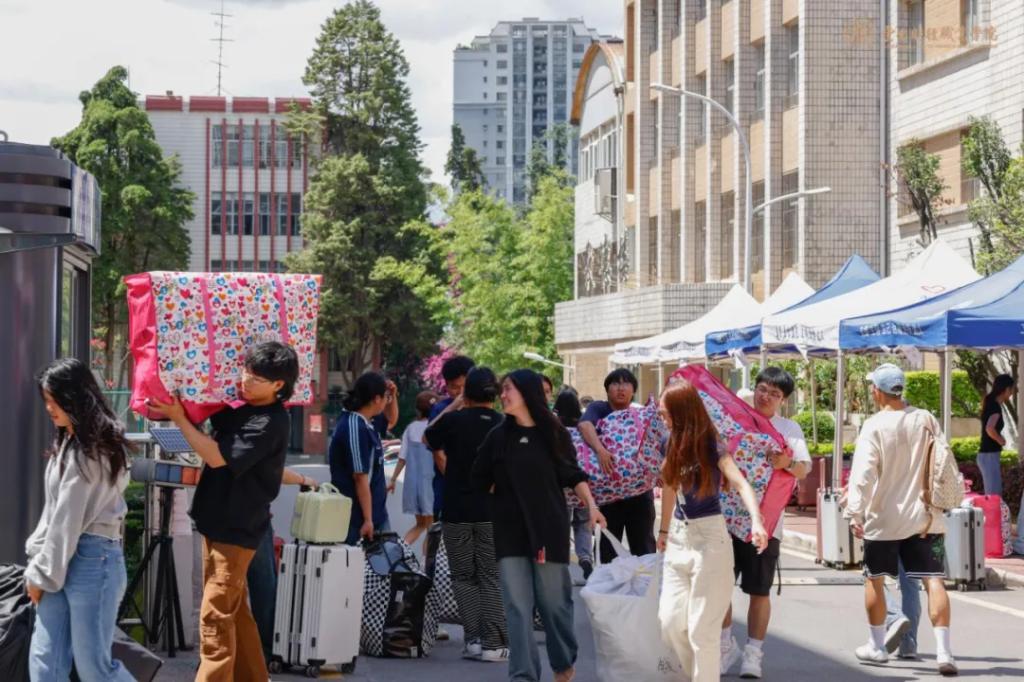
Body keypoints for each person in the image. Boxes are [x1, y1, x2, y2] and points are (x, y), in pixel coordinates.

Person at [150, 341, 298, 681]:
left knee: (215, 617)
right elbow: (202, 415)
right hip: (216, 523)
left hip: (237, 530)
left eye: (256, 377)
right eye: (246, 371)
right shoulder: (240, 408)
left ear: (278, 385)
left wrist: (177, 419)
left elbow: (217, 457)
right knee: (234, 613)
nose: (246, 380)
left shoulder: (271, 421)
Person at [473, 369, 606, 682]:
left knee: (554, 605)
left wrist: (592, 507)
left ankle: (562, 663)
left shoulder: (554, 433)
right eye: (502, 390)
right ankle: (523, 675)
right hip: (510, 534)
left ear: (527, 393)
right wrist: (509, 497)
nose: (502, 395)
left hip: (548, 531)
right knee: (517, 608)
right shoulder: (497, 436)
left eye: (508, 389)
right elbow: (479, 479)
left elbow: (572, 475)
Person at [25, 358, 135, 682]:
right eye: (46, 400)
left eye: (53, 400)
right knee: (45, 661)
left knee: (94, 670)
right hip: (64, 559)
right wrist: (42, 564)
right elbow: (57, 515)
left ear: (75, 397)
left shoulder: (92, 449)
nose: (49, 408)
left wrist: (41, 574)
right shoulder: (72, 442)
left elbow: (66, 521)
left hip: (91, 559)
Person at [844, 363, 958, 676]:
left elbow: (863, 474)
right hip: (925, 517)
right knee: (933, 580)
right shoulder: (926, 419)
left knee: (874, 579)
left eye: (872, 387)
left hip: (885, 518)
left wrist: (855, 511)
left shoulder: (874, 425)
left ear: (879, 391)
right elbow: (943, 460)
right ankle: (944, 652)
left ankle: (877, 645)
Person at [656, 378, 768, 682]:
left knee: (701, 630)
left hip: (711, 539)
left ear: (681, 412)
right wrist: (664, 531)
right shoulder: (668, 441)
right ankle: (697, 672)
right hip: (680, 536)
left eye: (665, 413)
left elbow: (742, 483)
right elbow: (669, 486)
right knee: (669, 622)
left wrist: (757, 521)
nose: (661, 418)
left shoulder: (711, 443)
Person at [720, 367, 811, 678]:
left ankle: (753, 655)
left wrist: (786, 463)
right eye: (762, 389)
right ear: (754, 389)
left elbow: (803, 470)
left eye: (775, 393)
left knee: (759, 592)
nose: (766, 396)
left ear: (783, 400)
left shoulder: (788, 429)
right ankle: (723, 644)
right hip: (725, 519)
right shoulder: (734, 419)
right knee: (719, 589)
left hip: (767, 523)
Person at [425, 367, 509, 662]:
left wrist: (453, 404)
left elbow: (426, 438)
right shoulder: (503, 423)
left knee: (463, 576)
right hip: (492, 512)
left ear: (467, 393)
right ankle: (494, 644)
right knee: (491, 576)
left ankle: (472, 641)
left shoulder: (453, 421)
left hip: (456, 510)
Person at [578, 368, 658, 563]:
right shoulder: (599, 408)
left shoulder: (640, 415)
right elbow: (584, 425)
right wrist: (600, 450)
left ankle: (646, 590)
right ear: (607, 390)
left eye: (626, 383)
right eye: (615, 383)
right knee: (607, 549)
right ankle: (607, 591)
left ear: (633, 390)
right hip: (608, 495)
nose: (620, 388)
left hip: (639, 494)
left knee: (644, 548)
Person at [247, 466, 320, 664]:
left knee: (225, 592)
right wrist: (304, 479)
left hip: (224, 518)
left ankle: (228, 652)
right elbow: (274, 470)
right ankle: (267, 651)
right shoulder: (260, 435)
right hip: (251, 517)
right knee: (264, 585)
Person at [329, 371, 391, 545]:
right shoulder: (354, 426)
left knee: (383, 568)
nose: (388, 401)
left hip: (377, 513)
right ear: (377, 399)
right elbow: (359, 476)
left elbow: (391, 420)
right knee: (358, 568)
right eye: (387, 397)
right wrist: (367, 519)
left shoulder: (368, 421)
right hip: (357, 517)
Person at [388, 391, 440, 548]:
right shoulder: (435, 427)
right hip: (429, 483)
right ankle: (426, 565)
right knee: (432, 528)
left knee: (420, 524)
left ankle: (401, 551)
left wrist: (393, 479)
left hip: (413, 484)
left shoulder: (410, 429)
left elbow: (402, 457)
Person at [428, 355, 476, 519]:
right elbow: (438, 454)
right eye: (454, 387)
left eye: (464, 386)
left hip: (477, 497)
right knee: (447, 541)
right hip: (449, 492)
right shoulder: (440, 410)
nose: (460, 393)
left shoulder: (481, 409)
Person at [554, 388, 594, 581]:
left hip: (561, 489)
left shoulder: (555, 432)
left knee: (561, 527)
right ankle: (585, 558)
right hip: (582, 488)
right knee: (583, 525)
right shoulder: (585, 429)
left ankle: (561, 564)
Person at [977, 373, 1013, 496]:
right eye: (1011, 389)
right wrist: (1001, 440)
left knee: (993, 494)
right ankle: (990, 516)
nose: (1012, 393)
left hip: (988, 455)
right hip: (989, 455)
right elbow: (990, 428)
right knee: (994, 496)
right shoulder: (994, 406)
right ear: (1007, 389)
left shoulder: (990, 402)